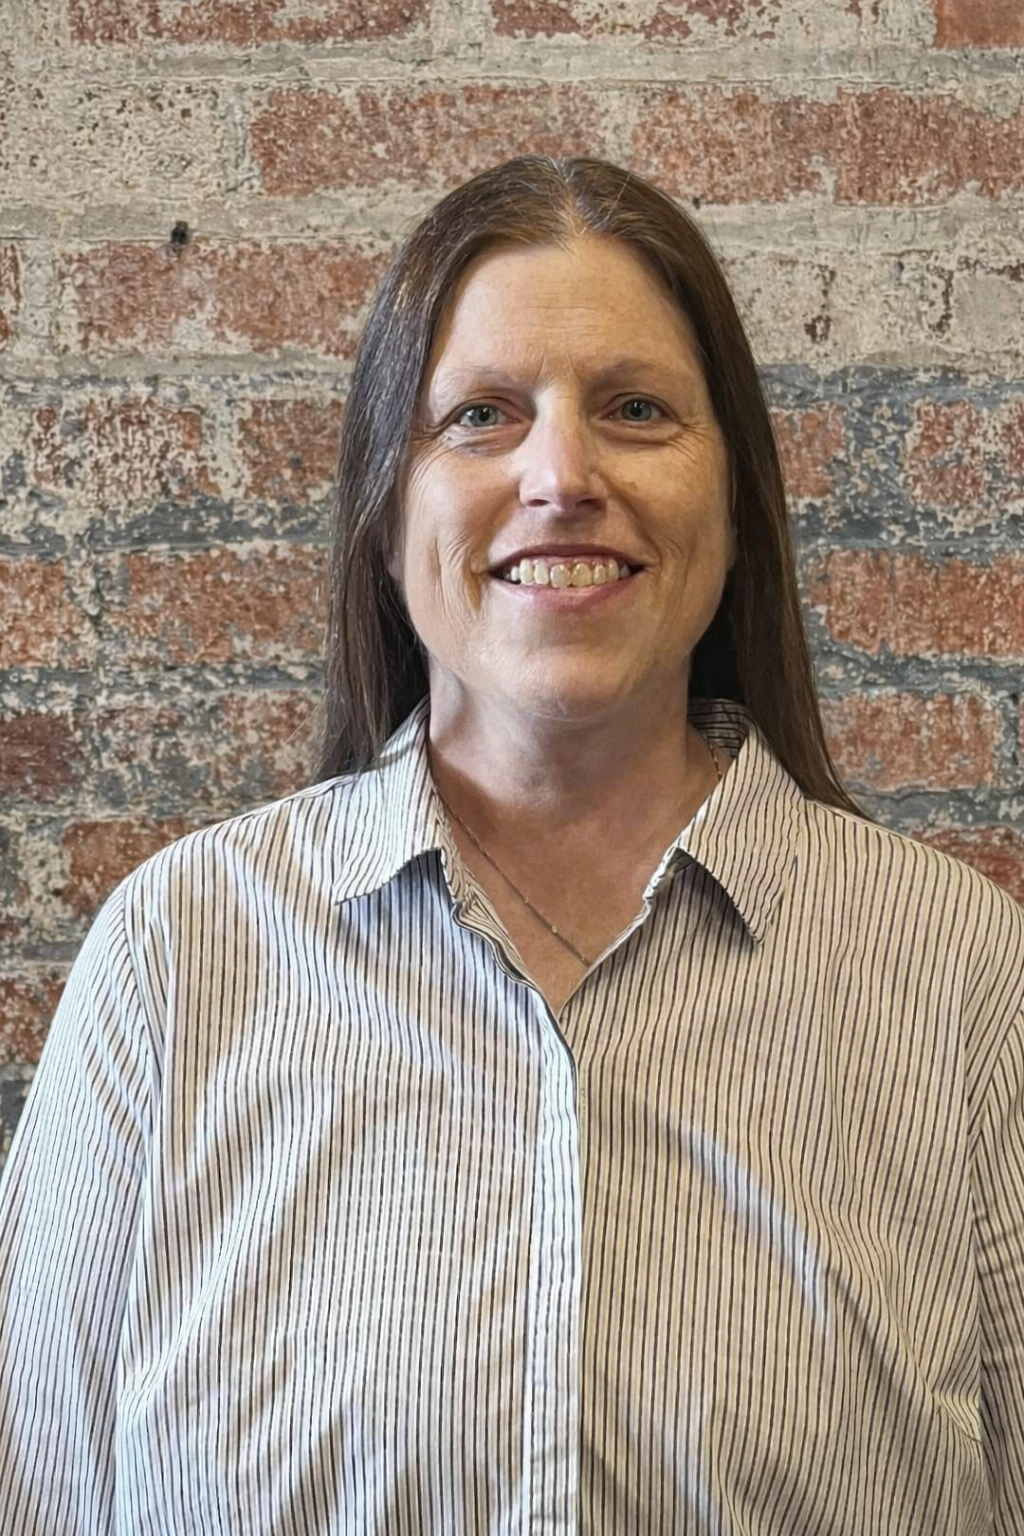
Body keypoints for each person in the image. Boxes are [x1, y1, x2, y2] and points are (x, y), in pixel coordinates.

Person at [0, 154, 1022, 1535]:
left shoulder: (962, 979)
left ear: (736, 504)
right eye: (480, 415)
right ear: (387, 509)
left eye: (637, 409)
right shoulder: (177, 958)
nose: (561, 476)